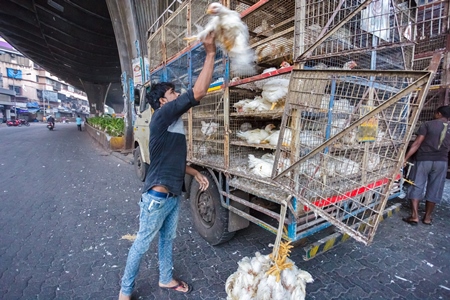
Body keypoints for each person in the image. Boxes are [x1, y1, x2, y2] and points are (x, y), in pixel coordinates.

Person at [118, 32, 216, 300]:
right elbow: (198, 92)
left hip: (171, 196)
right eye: (173, 92)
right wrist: (209, 53)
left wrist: (195, 173)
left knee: (165, 240)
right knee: (141, 243)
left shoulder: (171, 125)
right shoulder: (162, 116)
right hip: (157, 197)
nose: (177, 95)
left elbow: (172, 161)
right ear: (163, 101)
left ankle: (165, 279)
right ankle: (125, 292)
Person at [403, 106, 450, 226]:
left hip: (423, 160)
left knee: (416, 185)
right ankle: (427, 217)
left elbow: (417, 143)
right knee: (435, 188)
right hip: (441, 162)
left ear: (439, 114)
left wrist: (405, 158)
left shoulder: (427, 124)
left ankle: (414, 216)